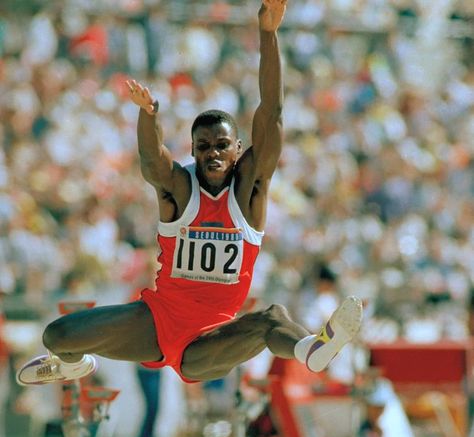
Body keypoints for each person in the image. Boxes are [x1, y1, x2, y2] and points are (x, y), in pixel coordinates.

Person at [17, 0, 362, 390]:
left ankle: (310, 347)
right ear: (193, 149)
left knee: (270, 317)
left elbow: (273, 112)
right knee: (56, 336)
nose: (212, 153)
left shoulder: (250, 193)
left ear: (238, 149)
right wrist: (149, 117)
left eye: (221, 145)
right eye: (203, 146)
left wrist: (268, 35)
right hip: (158, 318)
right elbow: (152, 161)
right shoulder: (182, 190)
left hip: (210, 340)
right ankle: (72, 364)